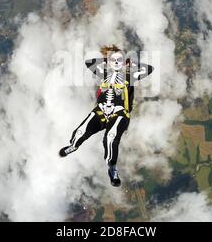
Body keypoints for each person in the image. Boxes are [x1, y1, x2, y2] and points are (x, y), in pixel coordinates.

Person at [59, 45, 153, 187]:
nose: (116, 62)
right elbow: (89, 63)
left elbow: (149, 69)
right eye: (113, 60)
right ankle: (73, 145)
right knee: (81, 131)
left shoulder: (130, 75)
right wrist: (106, 59)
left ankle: (112, 168)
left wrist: (130, 65)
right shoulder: (104, 74)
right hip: (101, 110)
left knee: (110, 138)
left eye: (119, 59)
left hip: (119, 112)